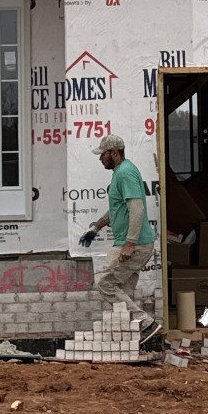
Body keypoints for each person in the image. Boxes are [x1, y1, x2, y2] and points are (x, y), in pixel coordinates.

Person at [83, 134, 157, 315]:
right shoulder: (121, 172)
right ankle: (132, 334)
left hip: (134, 245)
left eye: (103, 154)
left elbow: (136, 209)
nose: (100, 159)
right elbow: (117, 209)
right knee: (125, 293)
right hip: (134, 243)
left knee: (105, 283)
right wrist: (96, 228)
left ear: (114, 153)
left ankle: (144, 323)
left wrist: (130, 244)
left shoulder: (125, 173)